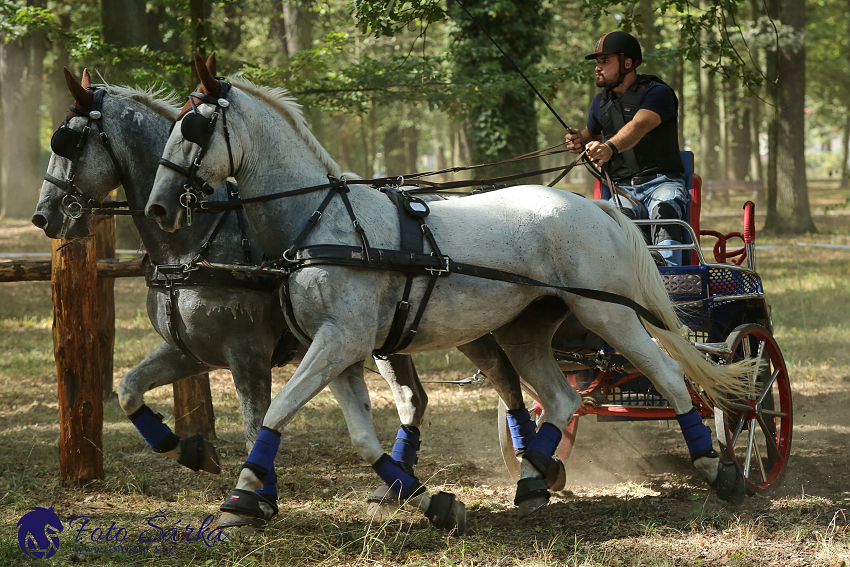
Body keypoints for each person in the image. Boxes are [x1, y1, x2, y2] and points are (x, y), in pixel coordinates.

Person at [565, 31, 688, 266]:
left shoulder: (657, 92)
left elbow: (640, 124)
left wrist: (609, 147)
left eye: (605, 61)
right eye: (598, 63)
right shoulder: (600, 102)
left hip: (662, 183)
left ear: (627, 62)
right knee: (617, 224)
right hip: (622, 190)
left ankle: (670, 281)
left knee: (664, 213)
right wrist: (577, 140)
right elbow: (589, 134)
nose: (597, 68)